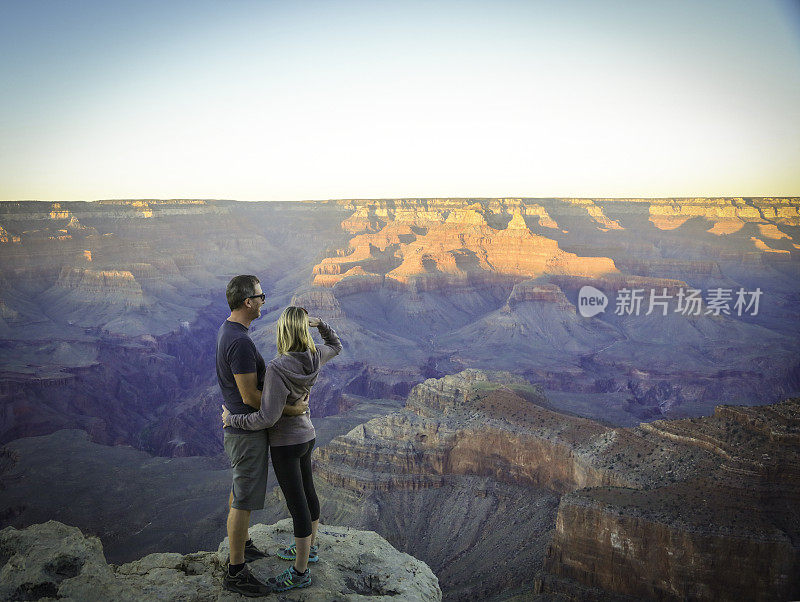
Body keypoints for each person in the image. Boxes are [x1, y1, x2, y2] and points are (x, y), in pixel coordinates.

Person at [222, 305, 342, 592]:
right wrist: (321, 324)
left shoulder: (278, 367)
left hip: (286, 444)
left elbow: (268, 417)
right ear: (303, 329)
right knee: (309, 494)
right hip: (307, 435)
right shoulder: (314, 356)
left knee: (297, 505)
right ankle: (309, 549)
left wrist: (232, 419)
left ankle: (300, 573)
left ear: (283, 331)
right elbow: (335, 345)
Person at [217, 276, 309, 597]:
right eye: (261, 296)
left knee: (239, 490)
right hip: (245, 430)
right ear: (248, 303)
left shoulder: (232, 331)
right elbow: (251, 397)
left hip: (240, 426)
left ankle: (243, 544)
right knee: (243, 500)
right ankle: (236, 571)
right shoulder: (240, 342)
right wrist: (292, 408)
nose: (263, 301)